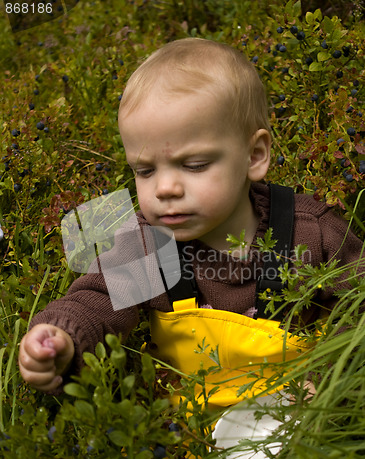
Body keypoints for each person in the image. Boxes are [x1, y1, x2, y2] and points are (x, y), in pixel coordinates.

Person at [19, 38, 363, 403]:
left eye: (194, 165)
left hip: (301, 424)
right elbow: (97, 300)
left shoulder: (310, 233)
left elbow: (358, 307)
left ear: (254, 155)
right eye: (145, 170)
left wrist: (328, 380)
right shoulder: (150, 244)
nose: (165, 188)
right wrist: (62, 336)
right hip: (184, 436)